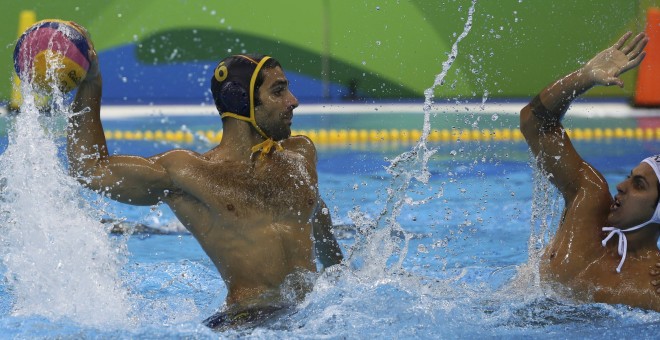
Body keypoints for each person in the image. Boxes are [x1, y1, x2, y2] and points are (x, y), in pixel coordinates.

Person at [67, 27, 343, 330]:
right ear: (241, 101)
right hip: (247, 322)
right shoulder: (187, 172)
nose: (293, 100)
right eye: (278, 91)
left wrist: (342, 280)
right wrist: (91, 84)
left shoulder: (300, 155)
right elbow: (90, 168)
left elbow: (316, 213)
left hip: (312, 315)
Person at [520, 31, 660, 311]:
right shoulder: (589, 199)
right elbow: (535, 123)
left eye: (639, 185)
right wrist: (583, 78)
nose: (621, 186)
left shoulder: (652, 287)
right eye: (630, 177)